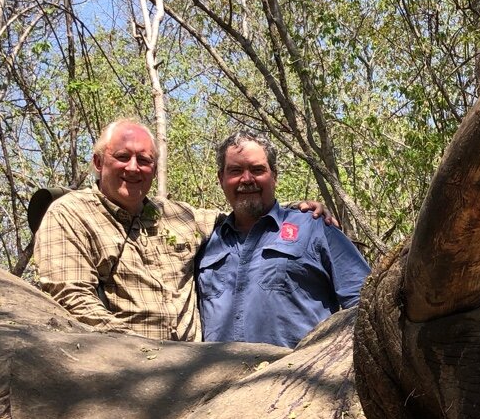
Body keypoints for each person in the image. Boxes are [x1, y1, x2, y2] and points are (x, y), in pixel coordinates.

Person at [33, 120, 329, 341]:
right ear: (98, 162)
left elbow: (241, 213)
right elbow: (72, 299)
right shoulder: (69, 214)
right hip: (121, 368)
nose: (134, 168)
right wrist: (142, 351)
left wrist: (294, 210)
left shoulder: (178, 216)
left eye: (145, 160)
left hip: (192, 373)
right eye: (123, 157)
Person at [198, 131, 370, 347]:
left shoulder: (314, 227)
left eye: (257, 170)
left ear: (275, 177)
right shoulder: (205, 243)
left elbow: (365, 304)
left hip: (301, 377)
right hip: (221, 379)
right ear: (220, 179)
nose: (247, 179)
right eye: (235, 171)